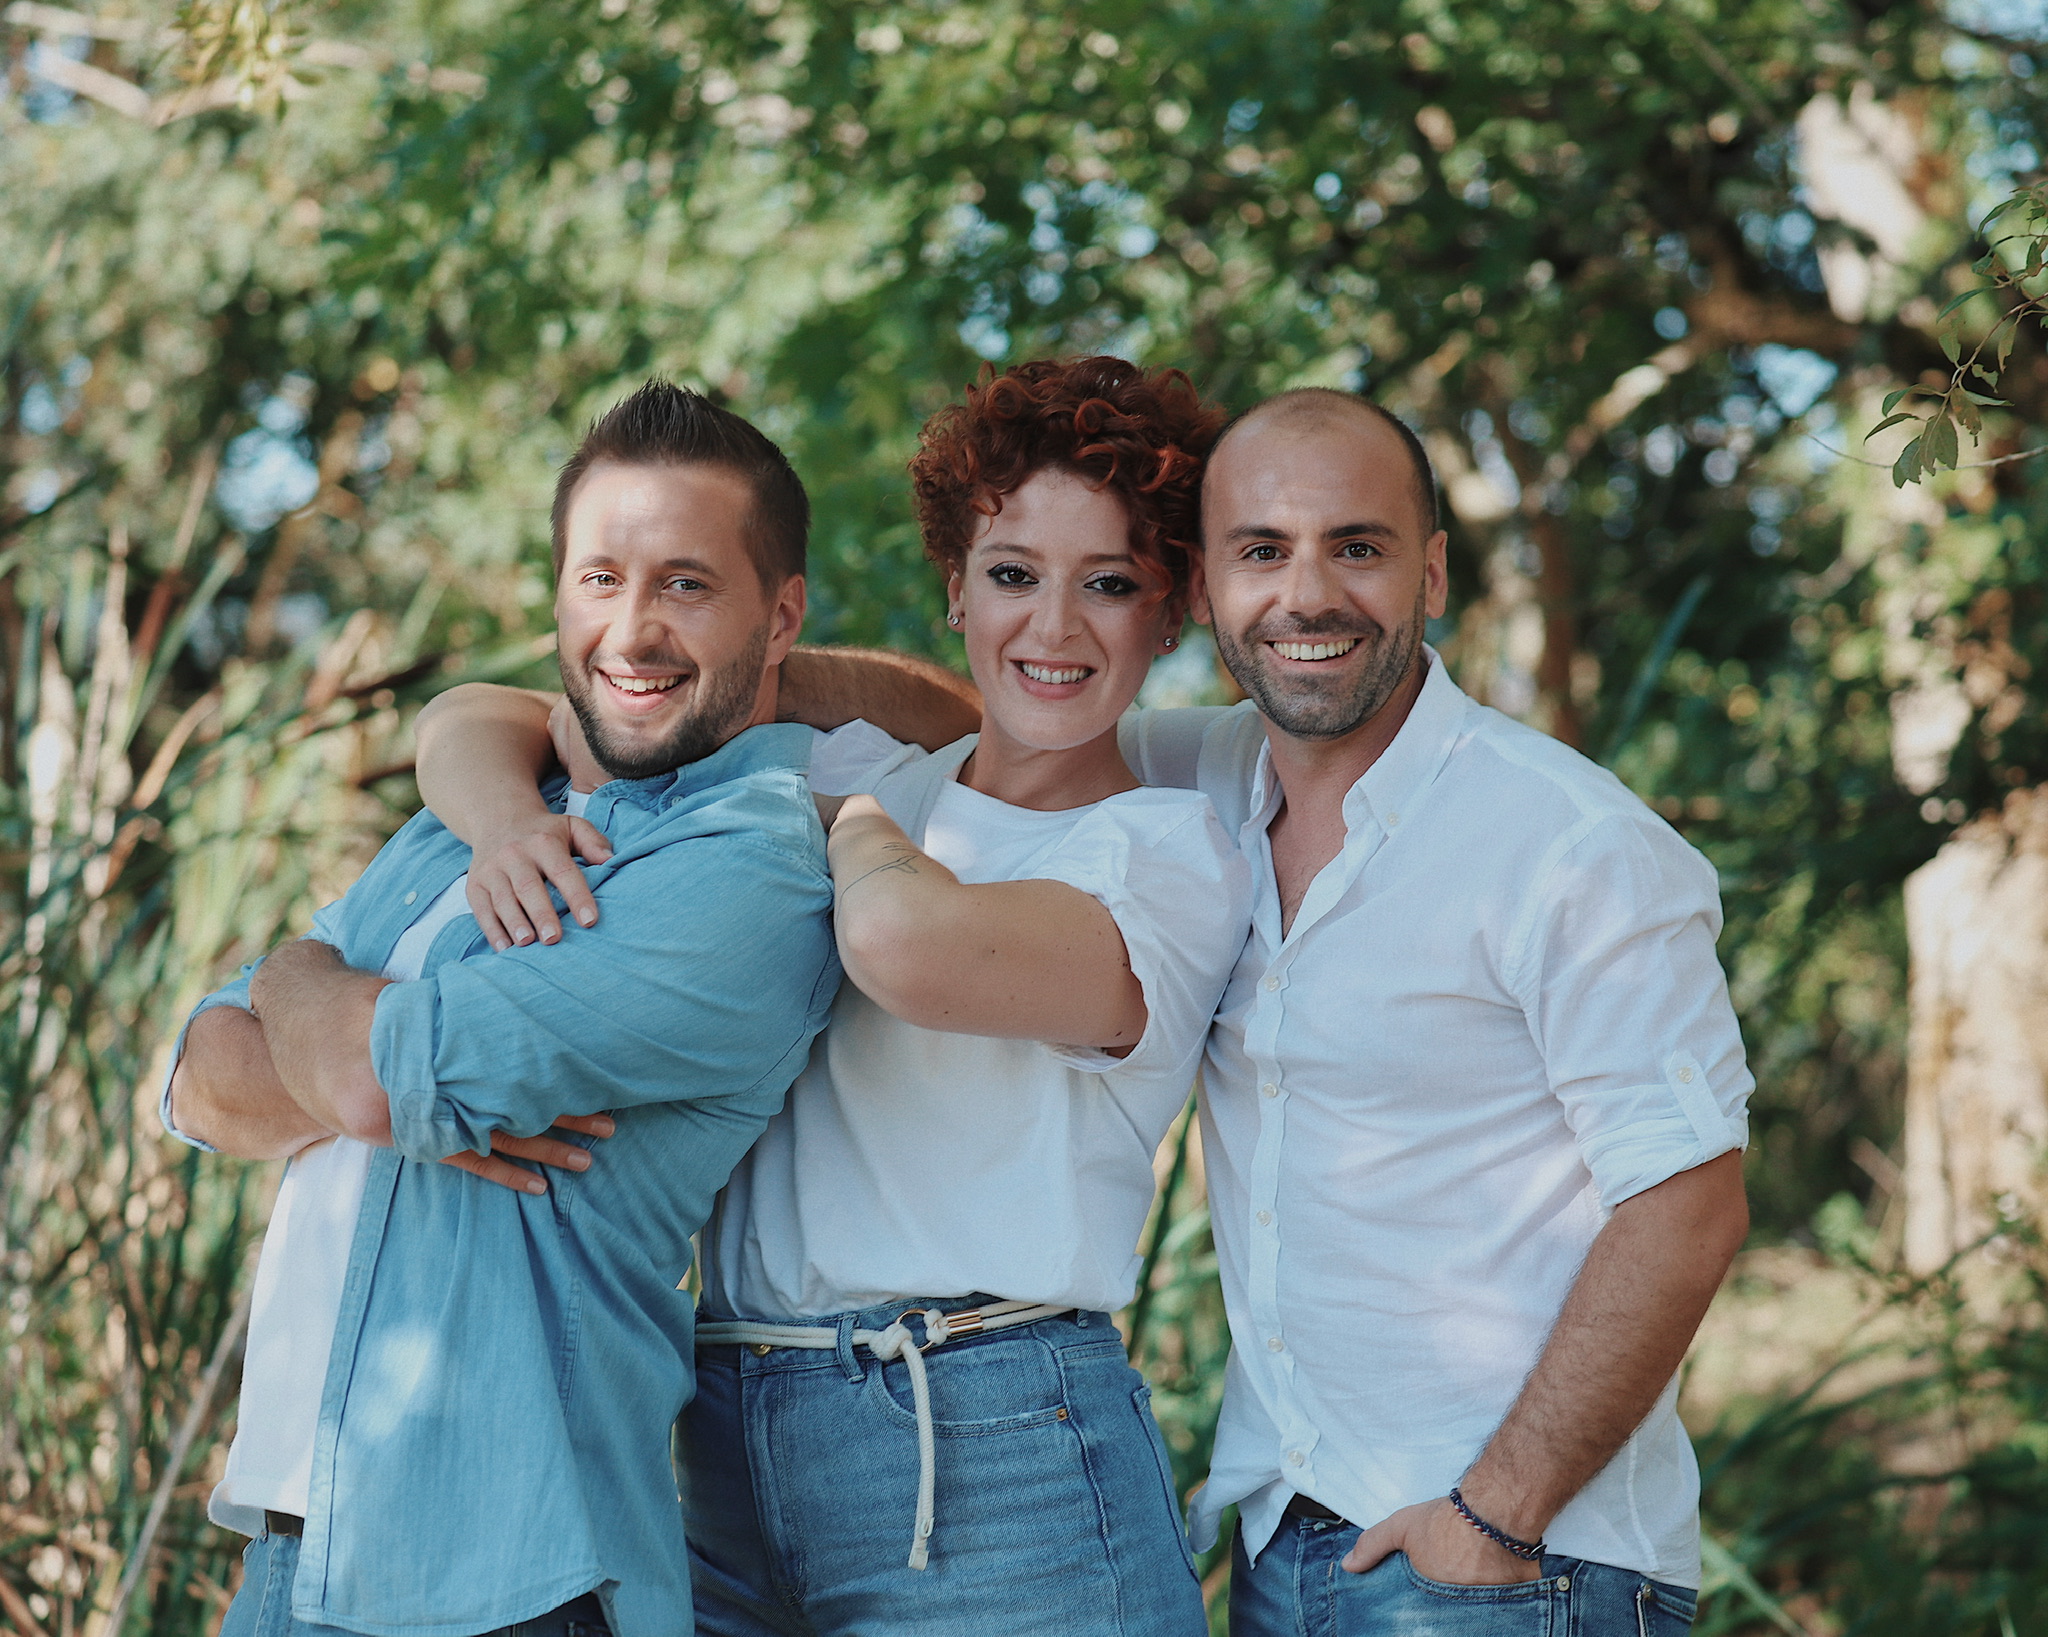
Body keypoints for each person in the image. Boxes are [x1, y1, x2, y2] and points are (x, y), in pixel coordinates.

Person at [683, 386, 1754, 1635]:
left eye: (1355, 546)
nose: (1305, 596)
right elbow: (1003, 714)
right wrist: (742, 673)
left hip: (1514, 1553)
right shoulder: (1221, 761)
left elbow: (1687, 1198)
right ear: (1212, 590)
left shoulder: (1563, 844)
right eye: (1261, 551)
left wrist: (1497, 1513)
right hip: (1285, 1527)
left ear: (1434, 573)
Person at [415, 356, 1253, 1637]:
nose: (1055, 627)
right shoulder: (869, 764)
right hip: (722, 1430)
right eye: (1014, 574)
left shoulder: (1162, 851)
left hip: (989, 1437)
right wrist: (493, 825)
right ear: (955, 588)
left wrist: (836, 813)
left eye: (1111, 585)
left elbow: (902, 940)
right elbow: (495, 708)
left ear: (1170, 610)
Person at [163, 383, 844, 1637]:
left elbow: (369, 1080)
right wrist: (320, 1013)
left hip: (511, 1575)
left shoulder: (746, 868)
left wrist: (295, 980)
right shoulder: (459, 824)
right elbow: (201, 1083)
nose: (631, 629)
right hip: (294, 1544)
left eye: (686, 584)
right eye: (599, 578)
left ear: (781, 612)